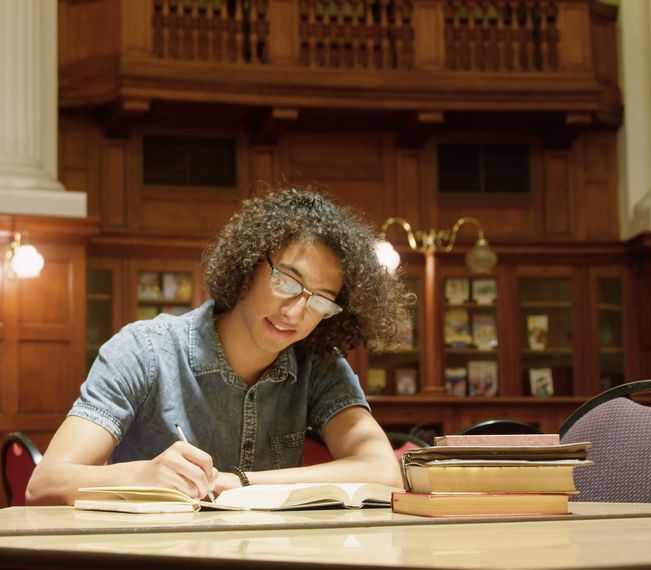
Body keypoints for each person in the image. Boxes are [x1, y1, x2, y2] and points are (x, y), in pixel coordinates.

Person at [26, 186, 413, 505]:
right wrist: (142, 475)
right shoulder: (143, 350)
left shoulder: (318, 365)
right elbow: (43, 485)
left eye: (320, 299)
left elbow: (382, 470)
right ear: (249, 266)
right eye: (287, 281)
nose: (296, 312)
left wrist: (240, 482)